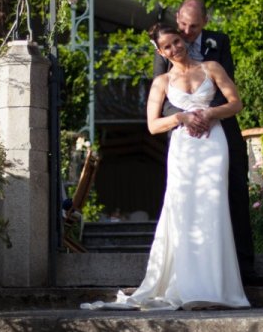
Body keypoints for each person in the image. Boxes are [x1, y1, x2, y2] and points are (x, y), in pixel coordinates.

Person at [82, 23, 249, 310]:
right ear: (160, 52)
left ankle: (217, 287)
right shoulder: (161, 82)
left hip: (212, 142)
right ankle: (185, 284)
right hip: (183, 147)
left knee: (213, 206)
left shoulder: (211, 67)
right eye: (167, 46)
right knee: (183, 208)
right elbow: (153, 125)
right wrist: (181, 119)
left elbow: (236, 104)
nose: (175, 48)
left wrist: (209, 113)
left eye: (176, 41)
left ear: (182, 40)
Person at [153, 0, 263, 286]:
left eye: (193, 26)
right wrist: (185, 117)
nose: (186, 32)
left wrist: (207, 116)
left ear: (205, 22)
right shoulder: (165, 45)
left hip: (221, 130)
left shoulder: (219, 43)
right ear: (176, 17)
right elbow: (161, 95)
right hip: (185, 137)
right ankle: (190, 271)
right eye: (182, 24)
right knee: (188, 201)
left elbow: (225, 84)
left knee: (235, 194)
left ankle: (243, 269)